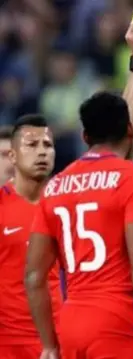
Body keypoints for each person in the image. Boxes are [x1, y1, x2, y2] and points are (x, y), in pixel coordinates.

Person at [24, 92, 133, 359]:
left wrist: (48, 345)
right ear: (131, 130)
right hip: (119, 324)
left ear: (85, 137)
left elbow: (34, 277)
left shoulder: (55, 186)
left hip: (71, 326)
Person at [0, 115, 60, 359]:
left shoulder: (67, 203)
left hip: (61, 338)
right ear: (13, 156)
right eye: (32, 145)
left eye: (47, 145)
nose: (42, 152)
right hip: (10, 343)